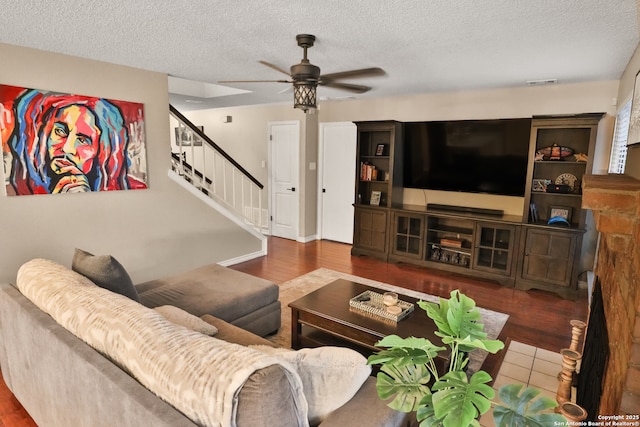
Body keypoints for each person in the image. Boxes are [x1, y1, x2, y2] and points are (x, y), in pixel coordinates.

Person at [6, 89, 142, 195]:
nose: (67, 148)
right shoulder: (10, 193)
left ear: (102, 152)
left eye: (83, 140)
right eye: (60, 131)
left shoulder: (135, 191)